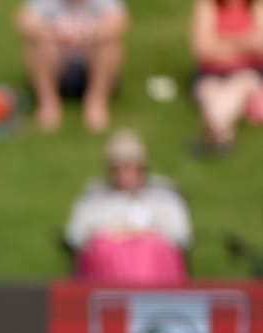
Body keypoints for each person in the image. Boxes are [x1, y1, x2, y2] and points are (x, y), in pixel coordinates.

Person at [63, 128, 193, 285]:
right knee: (104, 249)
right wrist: (112, 235)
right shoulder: (94, 193)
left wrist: (142, 235)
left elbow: (181, 234)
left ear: (142, 168)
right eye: (118, 168)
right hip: (106, 259)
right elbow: (75, 235)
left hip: (155, 260)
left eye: (130, 167)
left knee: (150, 250)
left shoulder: (164, 192)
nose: (124, 174)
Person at [14, 0, 129, 132]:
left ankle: (96, 102)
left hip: (92, 69)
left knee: (109, 44)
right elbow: (25, 22)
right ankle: (48, 103)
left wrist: (87, 36)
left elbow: (118, 22)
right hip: (56, 69)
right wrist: (54, 35)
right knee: (38, 44)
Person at [188, 0, 263, 155]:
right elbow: (202, 49)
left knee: (239, 86)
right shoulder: (208, 5)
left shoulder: (256, 6)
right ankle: (223, 136)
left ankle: (215, 132)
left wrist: (222, 40)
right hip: (211, 73)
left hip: (249, 72)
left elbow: (260, 45)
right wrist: (244, 41)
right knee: (211, 92)